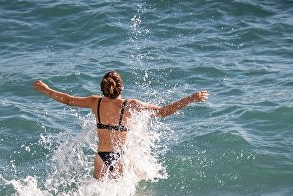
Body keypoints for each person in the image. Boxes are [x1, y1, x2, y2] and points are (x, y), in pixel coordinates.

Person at [34, 71, 209, 179]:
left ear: (102, 88)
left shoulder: (96, 102)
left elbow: (67, 100)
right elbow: (162, 112)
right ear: (121, 87)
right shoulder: (129, 105)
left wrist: (46, 90)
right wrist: (190, 98)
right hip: (120, 159)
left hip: (100, 158)